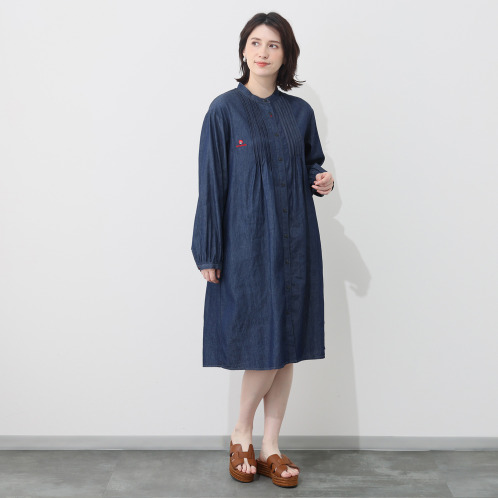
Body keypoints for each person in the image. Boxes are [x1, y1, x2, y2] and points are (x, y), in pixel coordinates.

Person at [191, 12, 334, 488]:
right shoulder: (224, 110)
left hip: (296, 242)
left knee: (286, 347)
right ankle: (241, 433)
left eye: (273, 45)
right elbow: (211, 185)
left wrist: (322, 179)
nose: (263, 52)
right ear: (243, 49)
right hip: (247, 245)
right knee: (264, 344)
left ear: (285, 54)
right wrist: (209, 251)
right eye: (255, 42)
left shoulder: (300, 113)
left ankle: (270, 445)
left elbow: (310, 165)